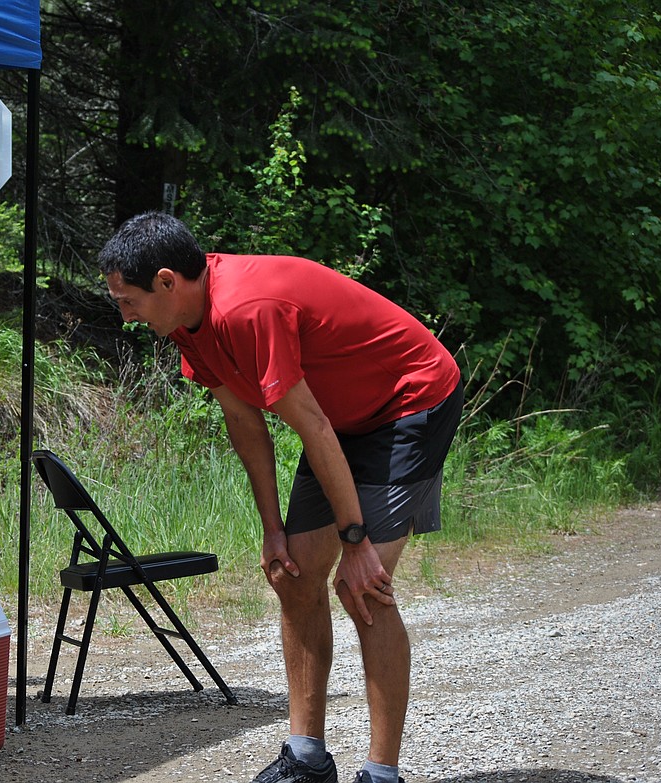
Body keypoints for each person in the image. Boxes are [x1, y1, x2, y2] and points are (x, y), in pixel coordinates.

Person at [99, 212, 462, 783]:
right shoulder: (185, 325)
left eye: (128, 301)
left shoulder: (247, 309)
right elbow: (245, 424)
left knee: (360, 586)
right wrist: (274, 529)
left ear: (167, 282)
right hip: (339, 418)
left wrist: (355, 538)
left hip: (408, 399)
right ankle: (307, 758)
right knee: (293, 574)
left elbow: (311, 427)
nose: (125, 315)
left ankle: (382, 773)